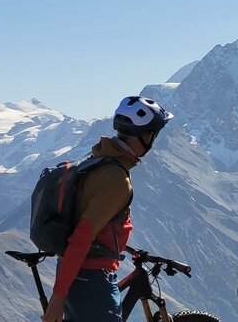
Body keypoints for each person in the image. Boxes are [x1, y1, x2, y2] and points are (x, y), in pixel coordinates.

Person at [42, 96, 174, 322]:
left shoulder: (98, 160)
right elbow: (82, 237)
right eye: (154, 135)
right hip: (92, 282)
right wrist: (57, 299)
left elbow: (96, 221)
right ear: (146, 136)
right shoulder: (116, 179)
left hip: (78, 275)